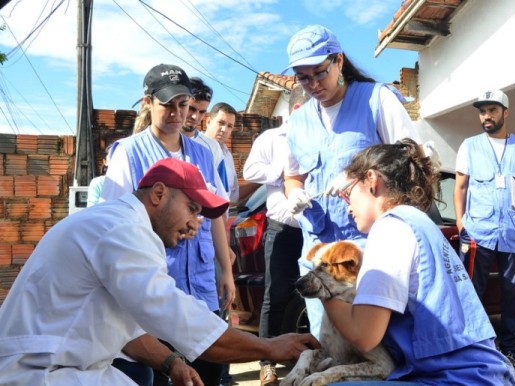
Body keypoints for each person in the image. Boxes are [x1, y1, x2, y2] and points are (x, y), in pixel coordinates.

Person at [0, 157, 320, 385]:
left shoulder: (118, 224)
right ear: (158, 194)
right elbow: (182, 320)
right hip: (41, 373)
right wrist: (270, 346)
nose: (196, 225)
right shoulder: (122, 231)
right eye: (192, 209)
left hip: (65, 367)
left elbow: (127, 330)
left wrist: (171, 362)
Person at [322, 140, 515, 385]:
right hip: (482, 374)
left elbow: (364, 335)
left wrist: (323, 289)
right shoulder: (420, 223)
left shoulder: (390, 228)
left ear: (371, 180)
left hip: (456, 379)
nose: (347, 206)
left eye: (347, 193)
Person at [281, 24, 421, 339]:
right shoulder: (299, 121)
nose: (313, 84)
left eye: (319, 72)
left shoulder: (377, 99)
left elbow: (412, 157)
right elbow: (292, 176)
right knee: (328, 340)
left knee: (379, 343)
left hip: (369, 250)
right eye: (303, 77)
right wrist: (295, 193)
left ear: (339, 61)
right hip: (319, 252)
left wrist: (359, 172)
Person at [101, 63, 233, 386]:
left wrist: (226, 269)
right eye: (167, 105)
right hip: (156, 288)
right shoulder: (129, 153)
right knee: (163, 373)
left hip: (202, 288)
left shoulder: (204, 152)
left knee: (208, 373)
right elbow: (115, 222)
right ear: (148, 103)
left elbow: (215, 215)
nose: (177, 113)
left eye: (183, 104)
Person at [453, 89, 515, 368]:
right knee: (471, 291)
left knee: (514, 293)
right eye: (482, 111)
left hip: (514, 232)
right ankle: (474, 348)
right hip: (478, 231)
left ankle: (513, 347)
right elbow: (460, 186)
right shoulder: (469, 145)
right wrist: (460, 222)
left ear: (506, 112)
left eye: (492, 110)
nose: (486, 116)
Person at [242, 86, 309, 386]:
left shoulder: (318, 137)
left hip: (313, 229)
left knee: (316, 294)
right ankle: (267, 362)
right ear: (297, 110)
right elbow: (250, 170)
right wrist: (281, 170)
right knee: (276, 295)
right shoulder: (271, 138)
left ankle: (310, 357)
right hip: (282, 229)